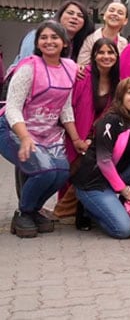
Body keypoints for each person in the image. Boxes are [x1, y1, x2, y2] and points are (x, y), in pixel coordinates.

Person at [0, 22, 81, 238]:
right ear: (37, 43)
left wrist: (76, 140)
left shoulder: (69, 68)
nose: (49, 41)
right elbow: (13, 107)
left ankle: (33, 210)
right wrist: (25, 138)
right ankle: (24, 212)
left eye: (54, 37)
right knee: (44, 170)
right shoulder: (29, 67)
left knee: (62, 172)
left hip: (46, 132)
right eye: (43, 37)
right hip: (13, 129)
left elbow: (65, 107)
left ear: (64, 43)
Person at [72, 78, 130, 239]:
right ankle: (88, 209)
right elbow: (104, 161)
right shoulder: (110, 121)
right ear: (120, 98)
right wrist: (124, 190)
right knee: (124, 230)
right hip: (94, 183)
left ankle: (119, 204)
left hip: (117, 178)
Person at [54, 38, 120, 222]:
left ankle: (80, 209)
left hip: (98, 137)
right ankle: (63, 211)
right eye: (101, 52)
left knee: (89, 171)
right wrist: (76, 138)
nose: (106, 56)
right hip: (75, 131)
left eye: (110, 52)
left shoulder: (118, 81)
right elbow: (66, 108)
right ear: (94, 55)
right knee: (69, 171)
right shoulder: (82, 75)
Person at [9, 0, 94, 70]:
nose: (75, 17)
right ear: (60, 16)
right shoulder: (36, 35)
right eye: (70, 13)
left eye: (80, 16)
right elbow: (26, 65)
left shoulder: (79, 45)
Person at [76, 1, 130, 67]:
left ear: (125, 21)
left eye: (120, 13)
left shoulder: (124, 43)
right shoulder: (90, 40)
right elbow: (82, 66)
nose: (115, 14)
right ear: (104, 16)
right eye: (111, 10)